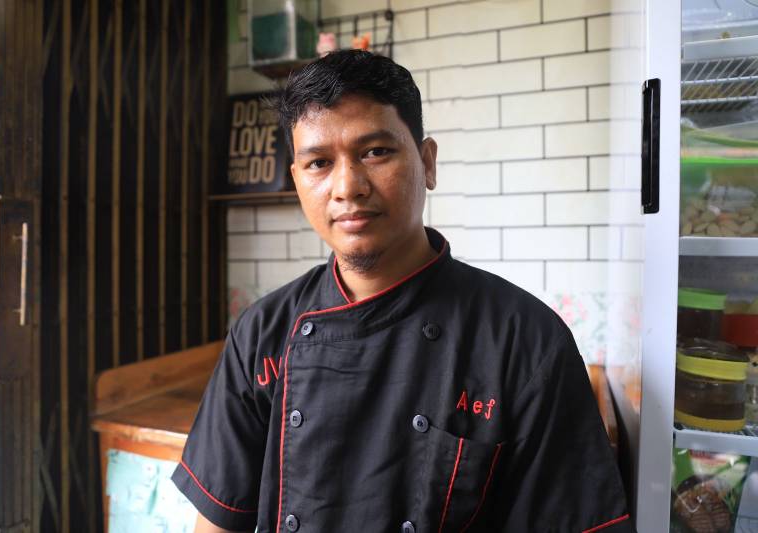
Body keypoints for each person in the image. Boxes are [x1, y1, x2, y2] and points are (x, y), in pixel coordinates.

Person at [172, 50, 634, 533]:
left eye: (375, 152)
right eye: (319, 163)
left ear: (427, 163)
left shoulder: (526, 341)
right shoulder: (260, 334)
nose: (347, 187)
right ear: (297, 181)